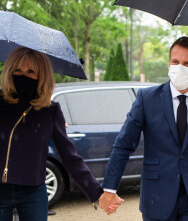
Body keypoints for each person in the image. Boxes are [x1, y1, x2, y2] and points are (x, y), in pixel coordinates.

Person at [99, 36, 188, 220]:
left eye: (187, 64)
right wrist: (109, 188)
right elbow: (123, 145)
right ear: (169, 63)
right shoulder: (147, 98)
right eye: (175, 62)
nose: (179, 68)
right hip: (157, 197)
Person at [0, 47, 122, 221]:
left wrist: (97, 193)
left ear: (41, 76)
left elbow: (70, 158)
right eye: (17, 70)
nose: (22, 75)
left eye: (31, 71)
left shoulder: (50, 110)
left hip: (32, 193)